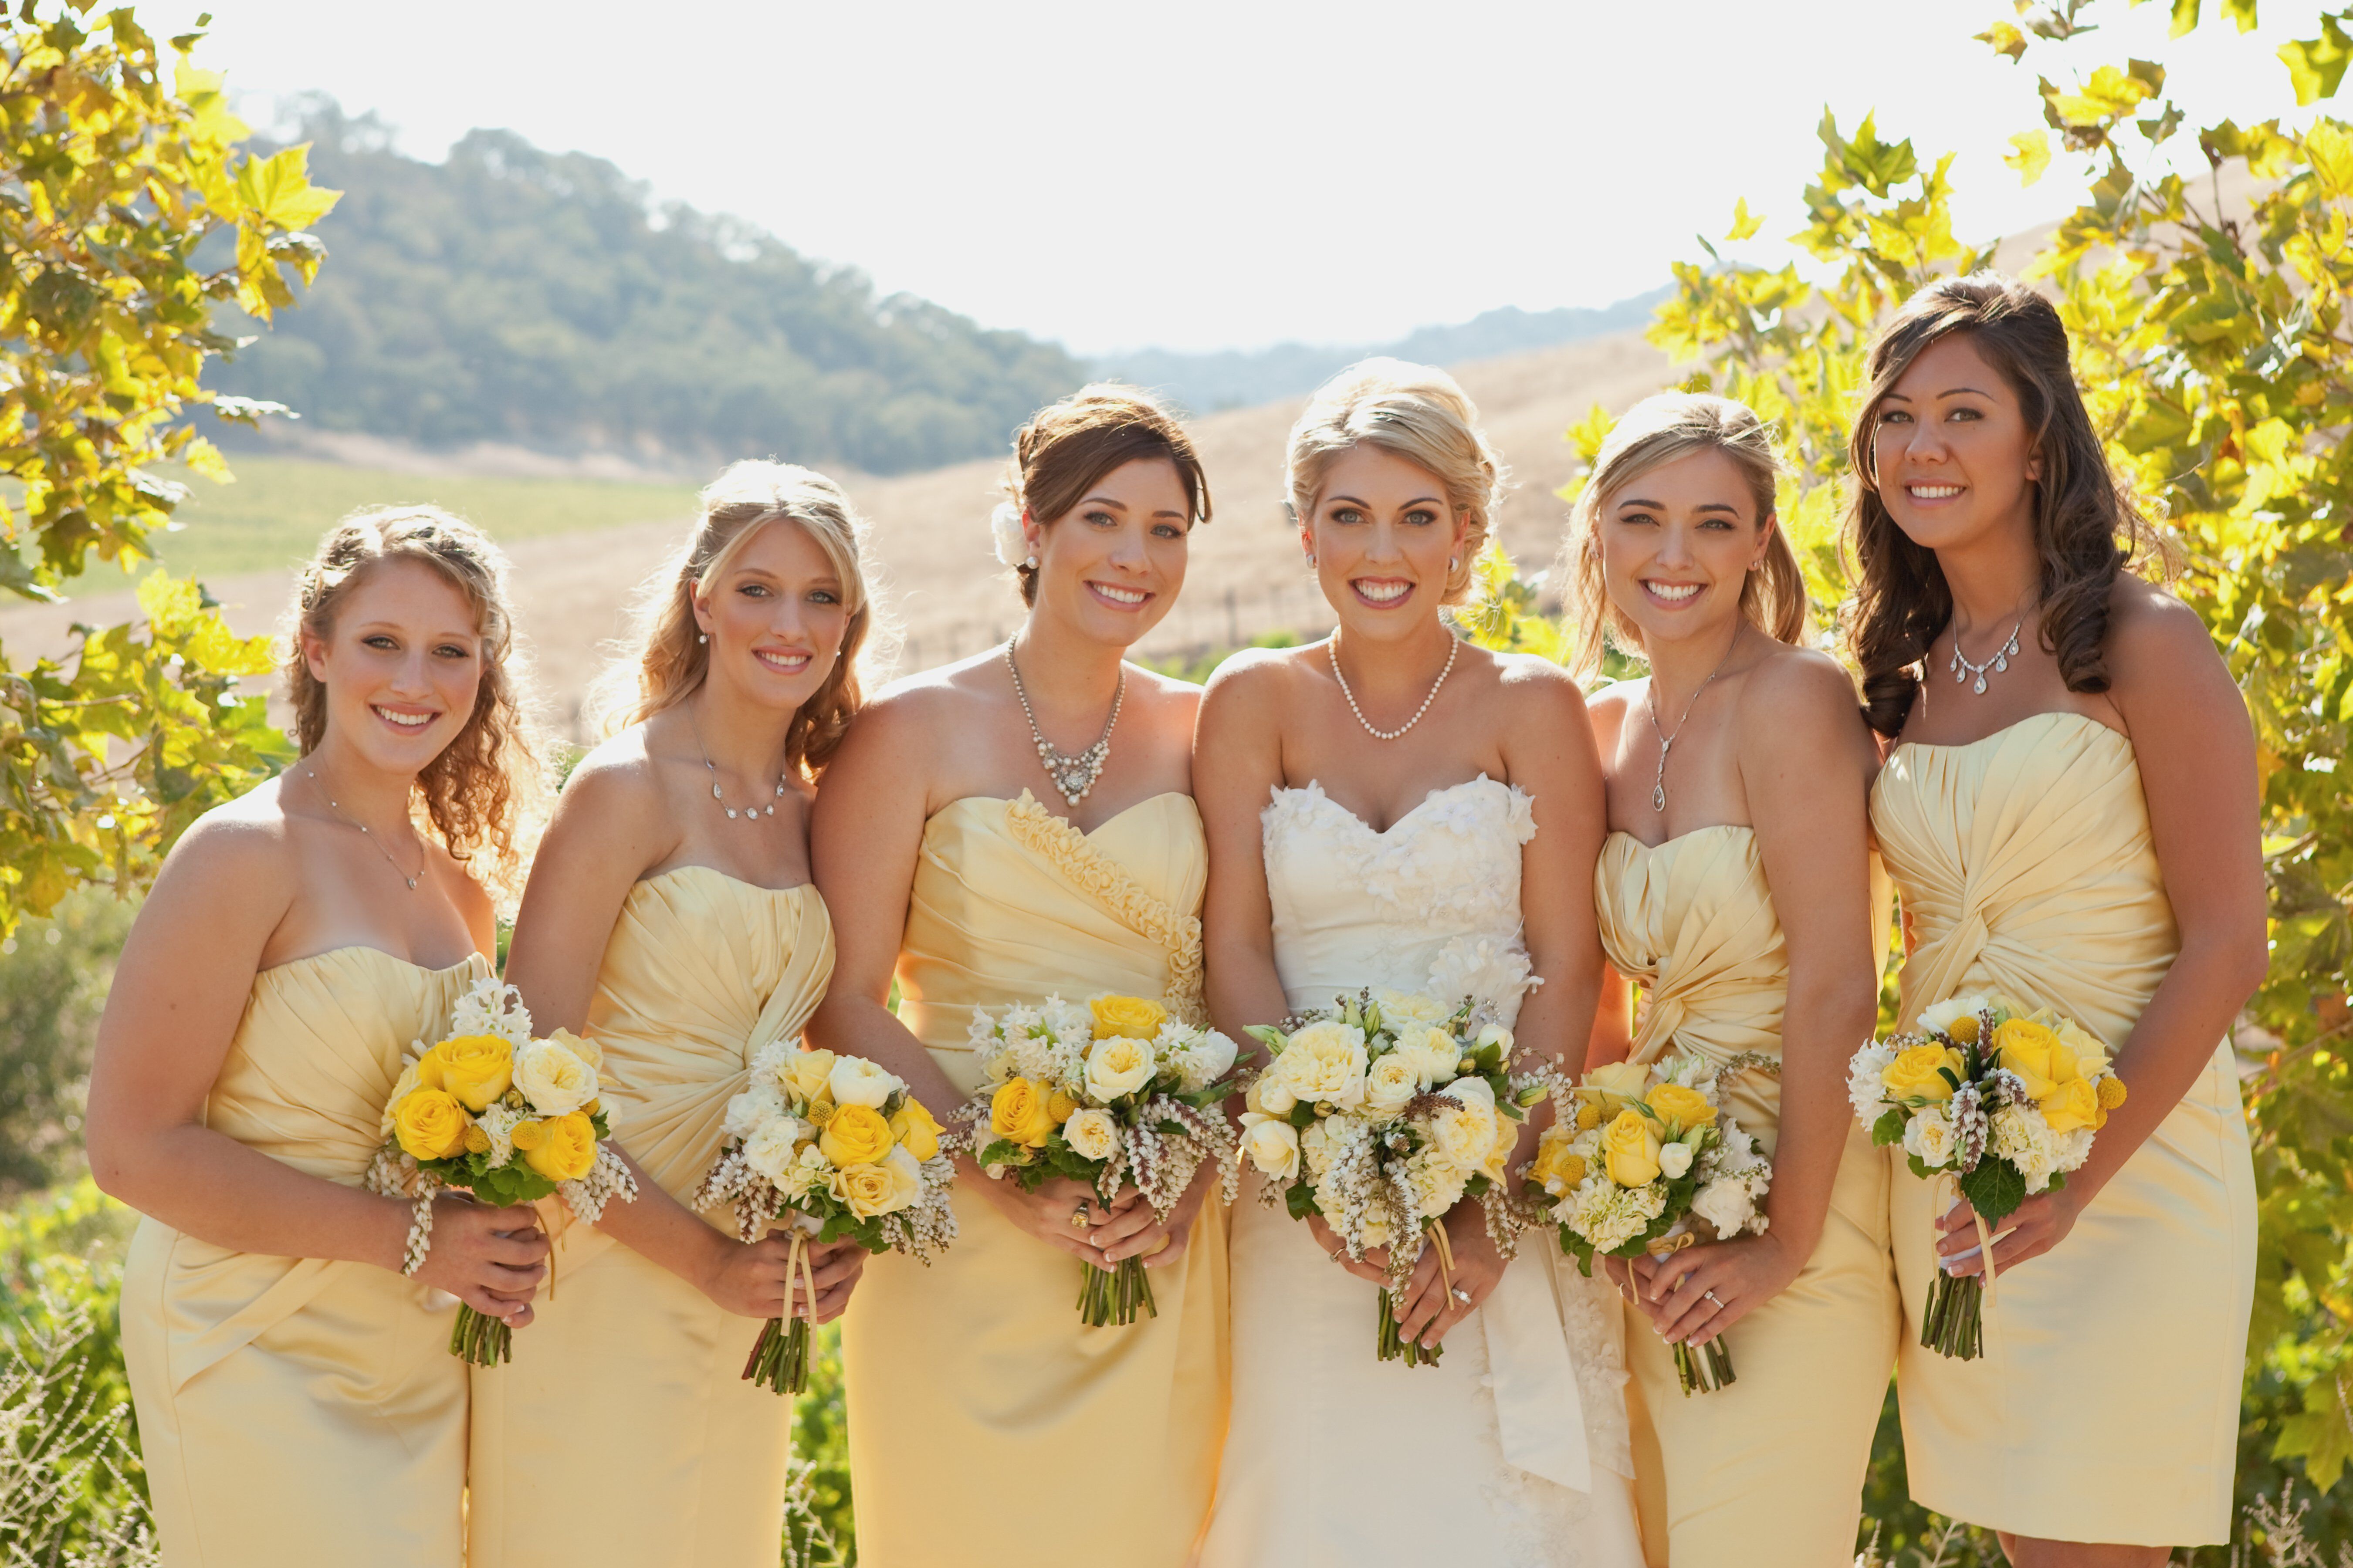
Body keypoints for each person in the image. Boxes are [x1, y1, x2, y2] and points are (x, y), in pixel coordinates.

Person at [1195, 359, 1644, 1567]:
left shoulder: (1530, 703)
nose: (1379, 549)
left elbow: (1565, 964)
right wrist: (1310, 1159)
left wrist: (1491, 1199)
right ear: (1305, 533)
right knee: (1319, 1492)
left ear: (1467, 536)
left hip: (1501, 1162)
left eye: (1415, 516)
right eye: (1347, 516)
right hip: (1298, 1197)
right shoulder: (1252, 700)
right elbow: (1232, 943)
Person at [1859, 274, 2265, 1565]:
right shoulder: (1902, 678)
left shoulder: (2143, 641)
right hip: (1954, 1163)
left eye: (1963, 414)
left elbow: (2226, 943)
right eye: (1896, 417)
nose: (1922, 448)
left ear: (2038, 440)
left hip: (2128, 1170)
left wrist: (2078, 1181)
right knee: (2031, 1542)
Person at [809, 386, 1228, 1568]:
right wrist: (993, 1168)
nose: (1136, 558)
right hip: (955, 1229)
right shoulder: (909, 732)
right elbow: (842, 999)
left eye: (1166, 531)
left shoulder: (1208, 731)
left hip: (1153, 1226)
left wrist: (1191, 1169)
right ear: (1031, 529)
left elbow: (1245, 976)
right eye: (1105, 518)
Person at [88, 507, 549, 1567]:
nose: (414, 681)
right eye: (382, 642)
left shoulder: (461, 891)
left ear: (485, 671)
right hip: (250, 1334)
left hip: (418, 1341)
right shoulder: (245, 853)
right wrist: (415, 1239)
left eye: (450, 652)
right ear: (317, 649)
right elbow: (131, 1148)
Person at [467, 463, 876, 1565]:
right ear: (701, 598)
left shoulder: (817, 808)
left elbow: (824, 1042)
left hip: (755, 1257)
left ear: (850, 621)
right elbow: (520, 1084)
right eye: (757, 589)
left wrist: (841, 1216)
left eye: (820, 597)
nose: (789, 623)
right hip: (608, 1251)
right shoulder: (624, 789)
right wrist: (695, 1257)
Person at [1567, 392, 1896, 1565]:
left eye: (1713, 524)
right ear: (1596, 530)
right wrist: (1603, 1205)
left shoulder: (1794, 698)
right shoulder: (1598, 727)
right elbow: (1600, 1008)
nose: (1673, 556)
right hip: (1647, 1194)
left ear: (1761, 539)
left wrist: (1782, 1242)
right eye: (1643, 519)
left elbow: (1837, 984)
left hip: (1795, 1184)